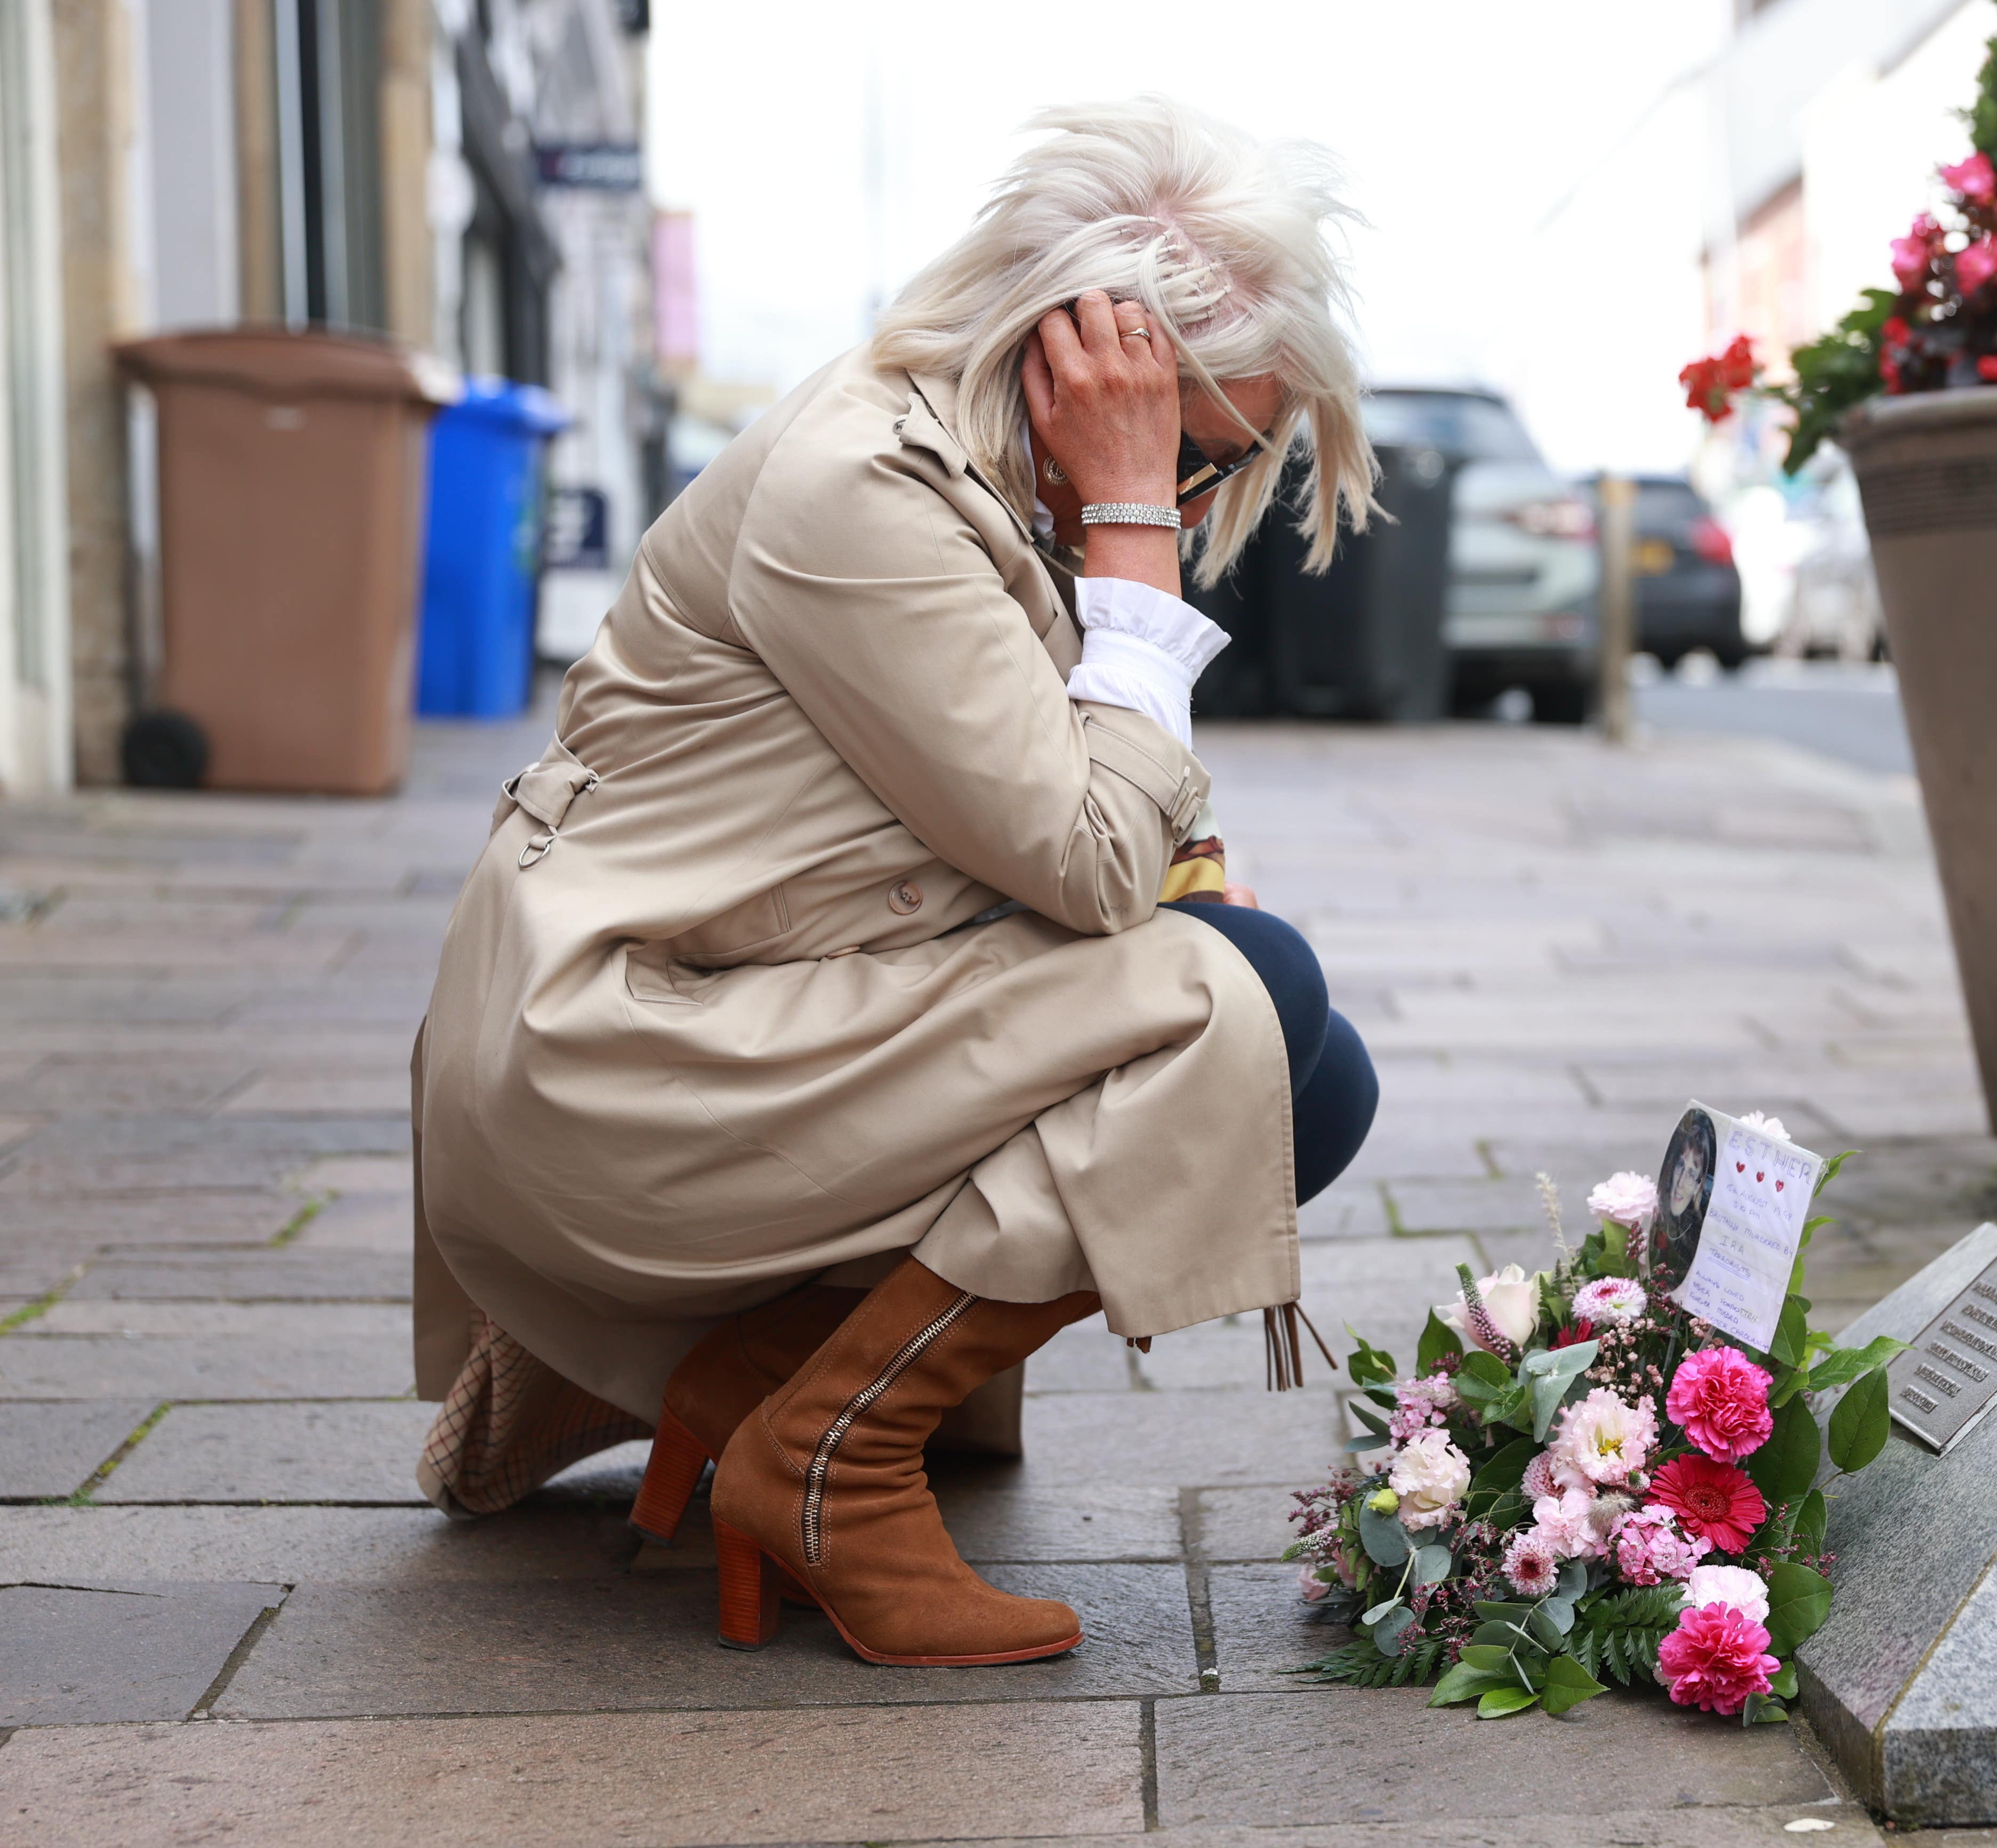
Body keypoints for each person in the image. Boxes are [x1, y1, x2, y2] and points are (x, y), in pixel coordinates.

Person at [408, 98, 1380, 1667]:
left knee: (1304, 1062)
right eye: (1202, 454)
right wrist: (1130, 519)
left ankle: (740, 1363)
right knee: (1243, 1007)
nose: (1201, 505)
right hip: (614, 1057)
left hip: (726, 1015)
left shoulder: (969, 470)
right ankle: (827, 1450)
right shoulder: (862, 492)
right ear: (1090, 357)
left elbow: (1118, 838)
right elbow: (1086, 858)